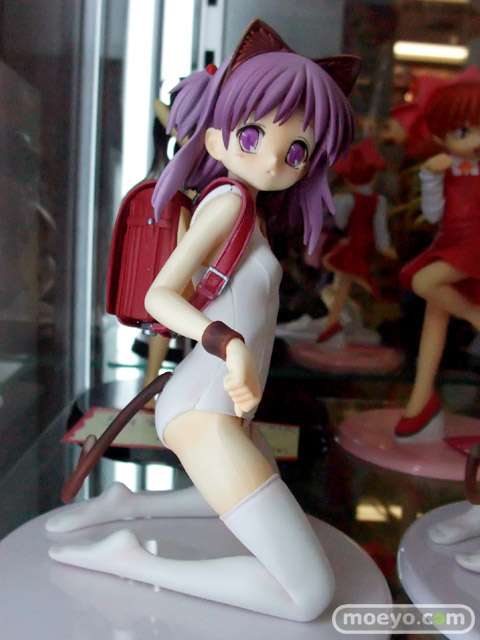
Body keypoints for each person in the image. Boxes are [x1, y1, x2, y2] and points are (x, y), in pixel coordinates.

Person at [46, 20, 359, 621]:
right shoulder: (229, 202)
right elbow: (162, 297)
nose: (274, 159)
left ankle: (124, 504)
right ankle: (130, 560)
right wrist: (230, 345)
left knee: (248, 493)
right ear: (214, 136)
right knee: (308, 595)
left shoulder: (250, 210)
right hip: (204, 415)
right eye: (253, 135)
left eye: (296, 150)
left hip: (225, 410)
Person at [391, 68, 480, 441]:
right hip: (449, 242)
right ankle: (420, 398)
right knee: (434, 318)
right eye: (461, 131)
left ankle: (474, 316)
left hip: (474, 244)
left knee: (426, 283)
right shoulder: (444, 168)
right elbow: (432, 215)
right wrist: (430, 177)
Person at [318, 137, 396, 343]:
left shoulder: (346, 199)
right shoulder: (378, 200)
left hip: (354, 243)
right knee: (337, 277)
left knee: (341, 284)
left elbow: (340, 222)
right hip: (362, 243)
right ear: (374, 176)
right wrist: (384, 247)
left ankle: (332, 323)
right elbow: (380, 228)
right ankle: (363, 286)